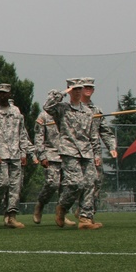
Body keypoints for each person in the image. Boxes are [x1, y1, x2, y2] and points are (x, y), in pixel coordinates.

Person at [43, 79, 101, 229]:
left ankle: (85, 218)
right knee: (76, 183)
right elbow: (47, 106)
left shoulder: (88, 112)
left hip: (86, 151)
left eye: (79, 89)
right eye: (74, 89)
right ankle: (62, 207)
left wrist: (97, 154)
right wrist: (63, 93)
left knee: (91, 181)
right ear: (70, 90)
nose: (77, 92)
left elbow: (93, 135)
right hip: (69, 150)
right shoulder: (62, 108)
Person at [0, 83, 34, 229]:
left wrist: (24, 153)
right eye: (0, 93)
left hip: (15, 154)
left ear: (10, 94)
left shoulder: (16, 111)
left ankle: (11, 216)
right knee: (2, 183)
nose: (2, 95)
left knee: (15, 187)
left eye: (5, 93)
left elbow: (22, 133)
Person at [81, 77, 117, 217]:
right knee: (75, 184)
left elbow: (105, 132)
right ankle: (65, 209)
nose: (88, 89)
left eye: (90, 87)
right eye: (85, 87)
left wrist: (112, 147)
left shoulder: (97, 110)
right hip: (75, 152)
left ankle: (88, 214)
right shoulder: (71, 109)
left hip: (94, 153)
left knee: (96, 182)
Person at [32, 109, 74, 226]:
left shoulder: (67, 113)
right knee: (52, 183)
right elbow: (39, 138)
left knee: (66, 187)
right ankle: (40, 204)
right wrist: (41, 156)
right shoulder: (43, 116)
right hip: (50, 155)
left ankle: (62, 214)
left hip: (67, 154)